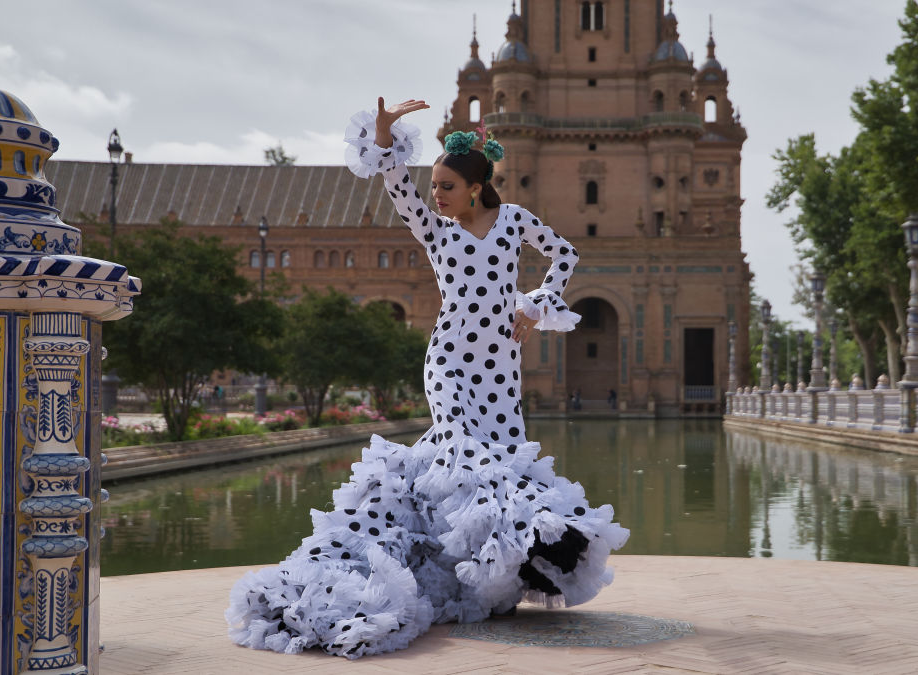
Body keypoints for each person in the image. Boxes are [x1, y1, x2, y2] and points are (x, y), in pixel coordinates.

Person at [226, 98, 629, 659]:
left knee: (503, 457)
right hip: (448, 357)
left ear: (475, 186)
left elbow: (564, 254)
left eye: (445, 186)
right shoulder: (436, 232)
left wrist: (536, 304)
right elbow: (399, 192)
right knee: (456, 448)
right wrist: (387, 141)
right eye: (434, 185)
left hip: (500, 363)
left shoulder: (513, 220)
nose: (435, 195)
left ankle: (494, 582)